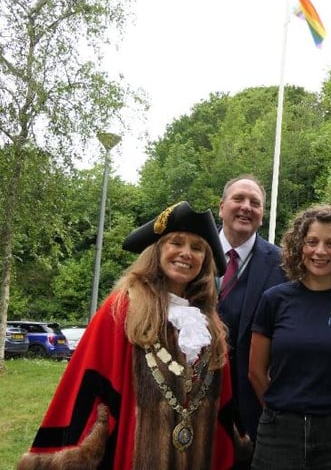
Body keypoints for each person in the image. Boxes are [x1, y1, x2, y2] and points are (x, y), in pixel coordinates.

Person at [18, 201, 238, 470]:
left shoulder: (209, 323)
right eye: (176, 243)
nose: (185, 253)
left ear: (205, 261)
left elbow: (222, 402)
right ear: (157, 251)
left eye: (197, 248)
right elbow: (88, 385)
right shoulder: (123, 308)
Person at [248, 205, 331, 470]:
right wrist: (281, 411)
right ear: (299, 246)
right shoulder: (274, 300)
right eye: (312, 242)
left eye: (330, 243)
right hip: (279, 436)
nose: (320, 251)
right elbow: (255, 371)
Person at [216, 175, 287, 466]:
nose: (246, 207)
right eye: (238, 199)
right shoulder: (190, 252)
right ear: (221, 207)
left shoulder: (283, 264)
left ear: (262, 215)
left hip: (254, 412)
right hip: (192, 405)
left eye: (255, 203)